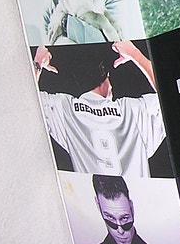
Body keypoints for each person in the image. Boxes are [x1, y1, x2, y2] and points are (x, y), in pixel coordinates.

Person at [33, 41, 166, 177]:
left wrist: (38, 63)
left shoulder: (65, 109)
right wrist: (134, 53)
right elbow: (170, 96)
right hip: (141, 191)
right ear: (105, 81)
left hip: (92, 191)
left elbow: (26, 100)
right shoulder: (131, 110)